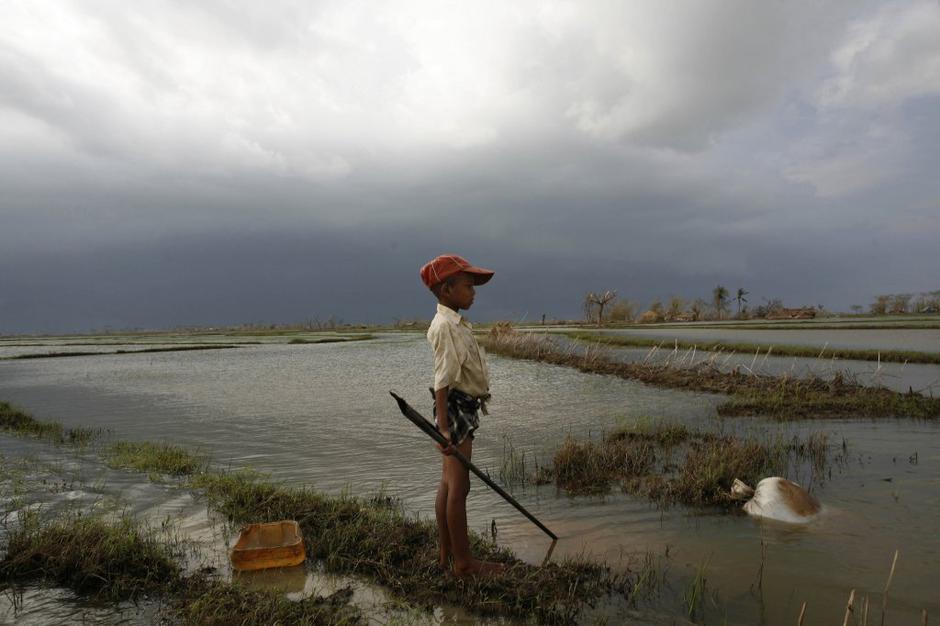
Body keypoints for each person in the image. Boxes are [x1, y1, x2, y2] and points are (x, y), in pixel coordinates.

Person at [420, 254, 504, 577]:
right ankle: (465, 564)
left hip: (460, 407)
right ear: (447, 289)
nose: (474, 292)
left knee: (448, 483)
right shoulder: (445, 327)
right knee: (459, 488)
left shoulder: (454, 323)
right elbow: (442, 381)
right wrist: (443, 427)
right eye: (468, 286)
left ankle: (446, 556)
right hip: (454, 409)